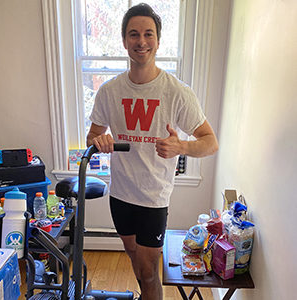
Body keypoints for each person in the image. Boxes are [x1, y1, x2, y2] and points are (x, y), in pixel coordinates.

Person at [87, 3, 218, 300]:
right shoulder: (109, 91)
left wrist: (181, 146)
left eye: (148, 34)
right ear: (124, 41)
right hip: (120, 195)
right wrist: (100, 140)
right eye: (134, 34)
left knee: (148, 273)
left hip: (153, 198)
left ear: (158, 41)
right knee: (135, 261)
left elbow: (210, 141)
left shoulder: (177, 92)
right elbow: (92, 136)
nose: (141, 41)